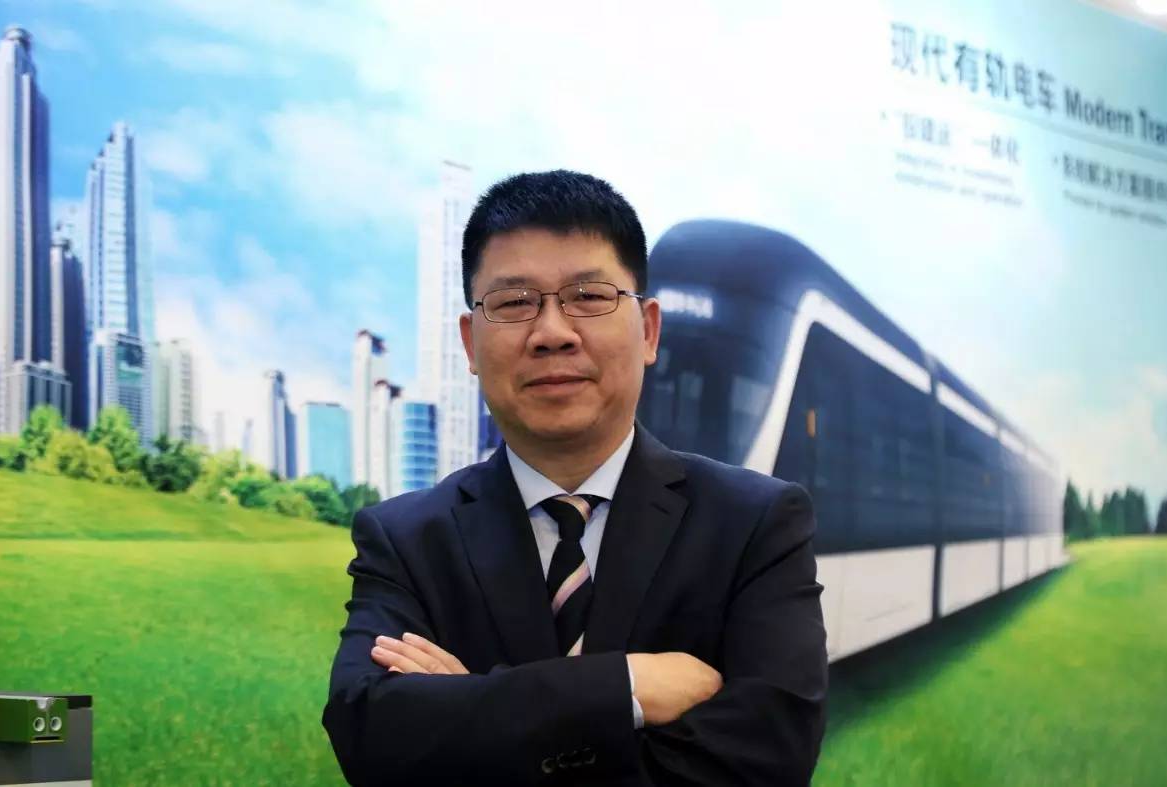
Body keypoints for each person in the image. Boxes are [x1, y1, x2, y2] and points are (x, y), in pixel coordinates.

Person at [322, 170, 827, 786]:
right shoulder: (405, 539)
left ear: (648, 330)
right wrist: (625, 686)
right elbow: (371, 733)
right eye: (514, 303)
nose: (552, 333)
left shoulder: (754, 523)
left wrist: (473, 711)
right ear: (470, 344)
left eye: (588, 296)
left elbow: (769, 760)